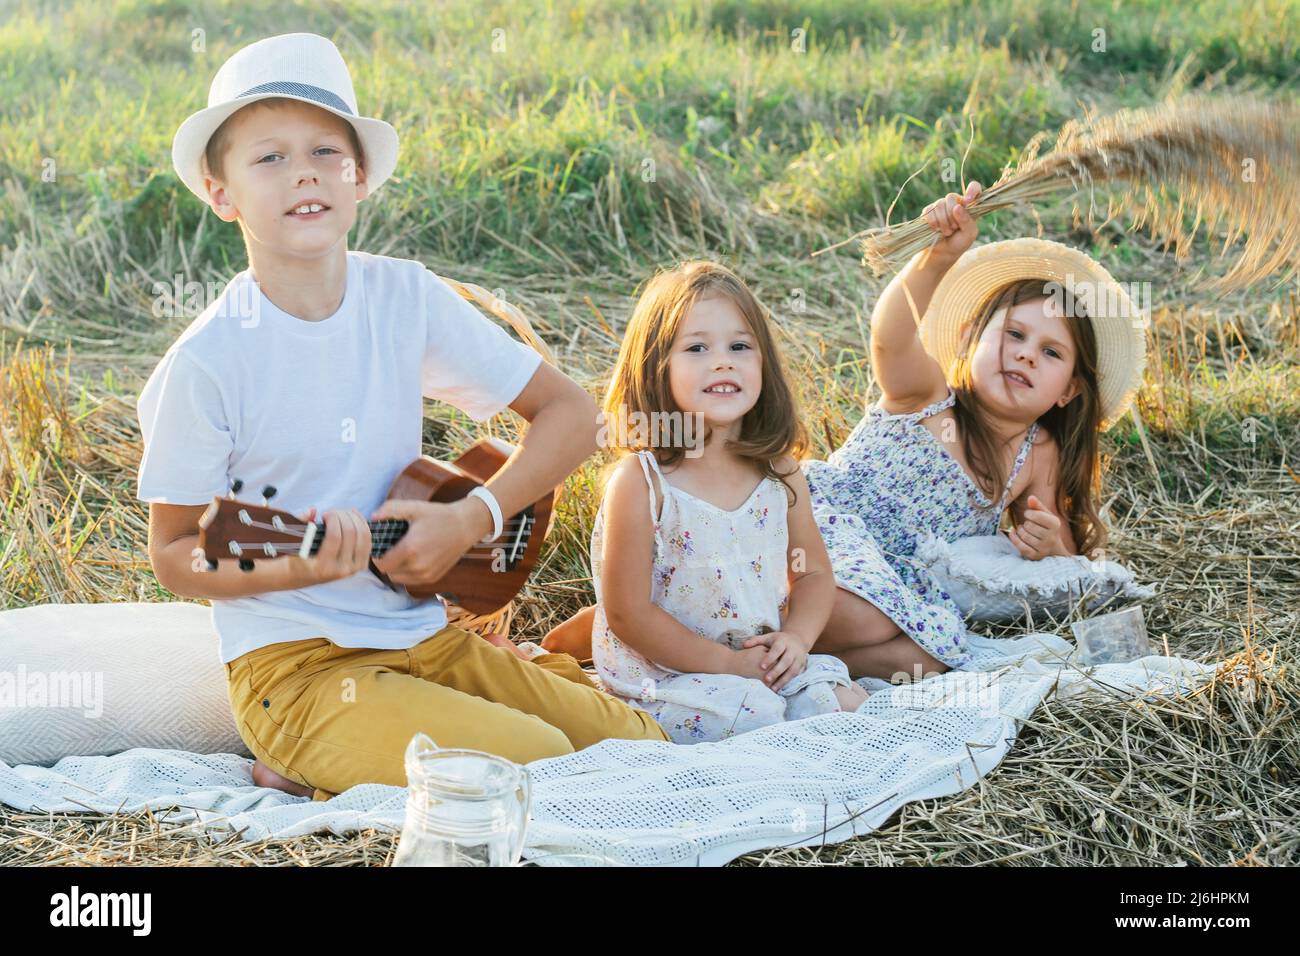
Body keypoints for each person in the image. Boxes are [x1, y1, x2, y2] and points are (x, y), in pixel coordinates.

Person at [137, 33, 668, 803]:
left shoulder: (404, 297)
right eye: (270, 158)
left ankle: (366, 749)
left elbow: (572, 414)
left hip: (423, 632)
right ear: (222, 195)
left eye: (326, 150)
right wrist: (303, 567)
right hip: (298, 665)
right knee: (535, 767)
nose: (305, 173)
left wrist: (470, 519)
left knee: (637, 747)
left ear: (358, 179)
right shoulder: (208, 362)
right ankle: (306, 752)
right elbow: (176, 552)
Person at [803, 181, 1147, 680]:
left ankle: (789, 664)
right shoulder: (927, 398)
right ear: (968, 338)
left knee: (930, 659)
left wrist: (1050, 545)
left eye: (1051, 352)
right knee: (855, 612)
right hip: (824, 534)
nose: (1027, 353)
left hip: (901, 580)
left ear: (1068, 391)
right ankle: (789, 641)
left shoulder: (1036, 453)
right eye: (1014, 334)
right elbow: (889, 336)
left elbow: (1064, 561)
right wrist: (937, 258)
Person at [582, 260, 869, 744]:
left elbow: (815, 573)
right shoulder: (643, 483)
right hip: (667, 677)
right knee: (752, 716)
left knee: (838, 701)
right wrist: (726, 666)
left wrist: (795, 640)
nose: (723, 361)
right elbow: (628, 613)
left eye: (740, 346)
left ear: (763, 365)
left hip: (756, 660)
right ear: (656, 368)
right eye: (697, 348)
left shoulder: (778, 472)